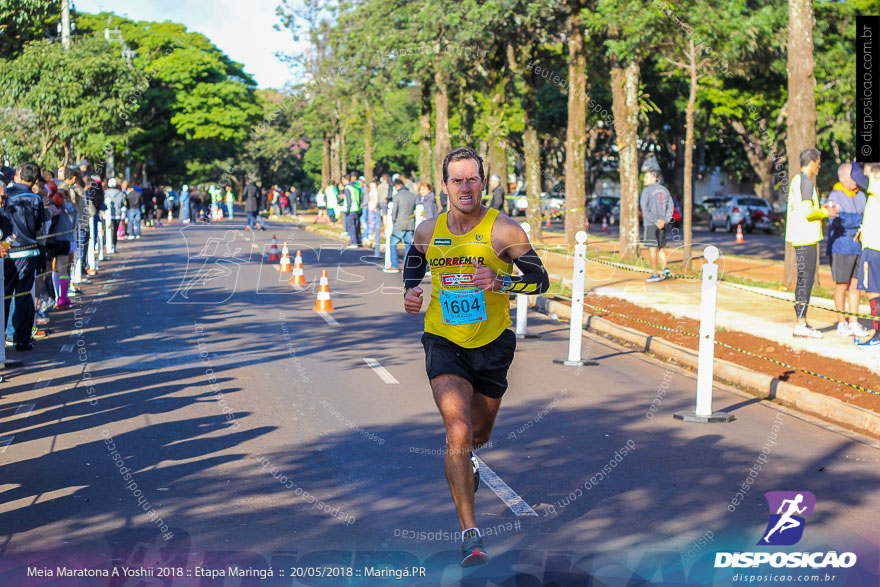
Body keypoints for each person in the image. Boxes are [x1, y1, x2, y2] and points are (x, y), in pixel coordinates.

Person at [403, 147, 549, 567]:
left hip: (493, 345)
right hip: (444, 341)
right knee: (458, 430)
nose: (465, 187)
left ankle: (471, 461)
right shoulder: (428, 230)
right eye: (456, 180)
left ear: (483, 183)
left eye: (472, 179)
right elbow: (414, 262)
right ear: (444, 185)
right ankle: (471, 534)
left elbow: (540, 282)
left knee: (478, 435)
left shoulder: (503, 230)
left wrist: (501, 282)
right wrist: (412, 292)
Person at [785, 148, 838, 338]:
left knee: (803, 279)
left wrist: (819, 208)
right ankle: (800, 322)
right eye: (818, 162)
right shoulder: (806, 182)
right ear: (812, 162)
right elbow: (808, 212)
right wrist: (826, 212)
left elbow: (804, 208)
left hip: (800, 236)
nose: (820, 166)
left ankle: (802, 321)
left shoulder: (797, 180)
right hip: (805, 237)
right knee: (806, 280)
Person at [4, 163, 45, 350]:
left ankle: (5, 336)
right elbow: (39, 226)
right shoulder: (36, 198)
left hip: (8, 250)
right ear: (35, 180)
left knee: (4, 295)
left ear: (19, 175)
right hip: (29, 251)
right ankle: (22, 337)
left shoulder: (8, 196)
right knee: (24, 294)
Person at [827, 163, 869, 336]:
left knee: (856, 286)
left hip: (858, 247)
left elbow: (866, 217)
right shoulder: (834, 195)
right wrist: (857, 219)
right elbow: (836, 220)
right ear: (842, 177)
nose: (855, 181)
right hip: (841, 246)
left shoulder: (861, 195)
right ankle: (841, 322)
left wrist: (852, 218)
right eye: (851, 177)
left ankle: (854, 321)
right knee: (841, 285)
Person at [850, 162, 880, 349]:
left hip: (874, 249)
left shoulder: (876, 185)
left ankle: (878, 334)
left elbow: (855, 174)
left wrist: (857, 160)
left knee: (873, 291)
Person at [639, 170, 675, 282]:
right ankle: (665, 270)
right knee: (661, 248)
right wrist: (665, 220)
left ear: (654, 178)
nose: (644, 179)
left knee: (652, 248)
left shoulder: (646, 191)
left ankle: (655, 274)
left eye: (647, 177)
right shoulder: (664, 190)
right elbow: (671, 206)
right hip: (662, 225)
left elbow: (644, 209)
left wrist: (655, 221)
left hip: (651, 224)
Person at [384, 178, 417, 273]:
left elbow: (394, 211)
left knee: (393, 243)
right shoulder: (413, 195)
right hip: (410, 224)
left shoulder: (397, 196)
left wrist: (394, 221)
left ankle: (394, 265)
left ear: (397, 186)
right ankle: (406, 266)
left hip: (399, 224)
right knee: (408, 245)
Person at [104, 178, 125, 249]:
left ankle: (106, 245)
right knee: (115, 231)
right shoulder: (120, 193)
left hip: (107, 215)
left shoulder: (105, 193)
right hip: (117, 215)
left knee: (107, 230)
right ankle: (114, 245)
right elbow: (122, 203)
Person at [343, 172, 362, 248]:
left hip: (351, 209)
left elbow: (348, 200)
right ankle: (358, 242)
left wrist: (347, 209)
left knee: (351, 226)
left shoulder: (348, 187)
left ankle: (354, 243)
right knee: (357, 226)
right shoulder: (357, 186)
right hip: (357, 208)